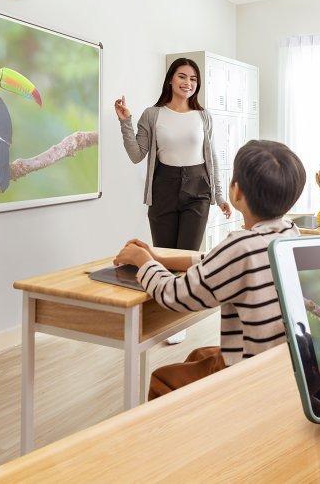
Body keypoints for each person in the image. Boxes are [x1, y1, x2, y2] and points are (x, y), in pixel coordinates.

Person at [111, 139, 306, 398]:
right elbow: (216, 261)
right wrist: (158, 258)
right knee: (198, 355)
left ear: (236, 191)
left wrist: (143, 262)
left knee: (163, 380)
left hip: (250, 370)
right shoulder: (290, 234)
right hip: (283, 360)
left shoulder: (241, 246)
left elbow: (176, 295)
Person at [116, 58, 231, 251]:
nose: (188, 83)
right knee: (164, 256)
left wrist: (219, 196)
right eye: (182, 77)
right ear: (170, 79)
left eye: (193, 79)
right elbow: (136, 155)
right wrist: (125, 122)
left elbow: (212, 158)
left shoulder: (203, 116)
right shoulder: (152, 114)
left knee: (186, 256)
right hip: (163, 190)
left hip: (198, 190)